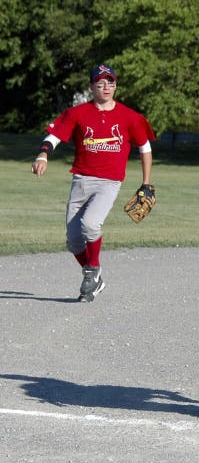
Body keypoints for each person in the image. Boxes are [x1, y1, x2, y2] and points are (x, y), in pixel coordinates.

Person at [31, 63, 156, 302]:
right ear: (91, 87)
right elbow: (54, 136)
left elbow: (145, 147)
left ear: (116, 85)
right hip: (81, 180)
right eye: (100, 83)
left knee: (90, 225)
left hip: (109, 183)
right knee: (74, 240)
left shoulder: (130, 117)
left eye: (111, 82)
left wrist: (146, 183)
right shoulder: (77, 113)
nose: (106, 86)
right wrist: (43, 154)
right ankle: (93, 276)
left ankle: (93, 269)